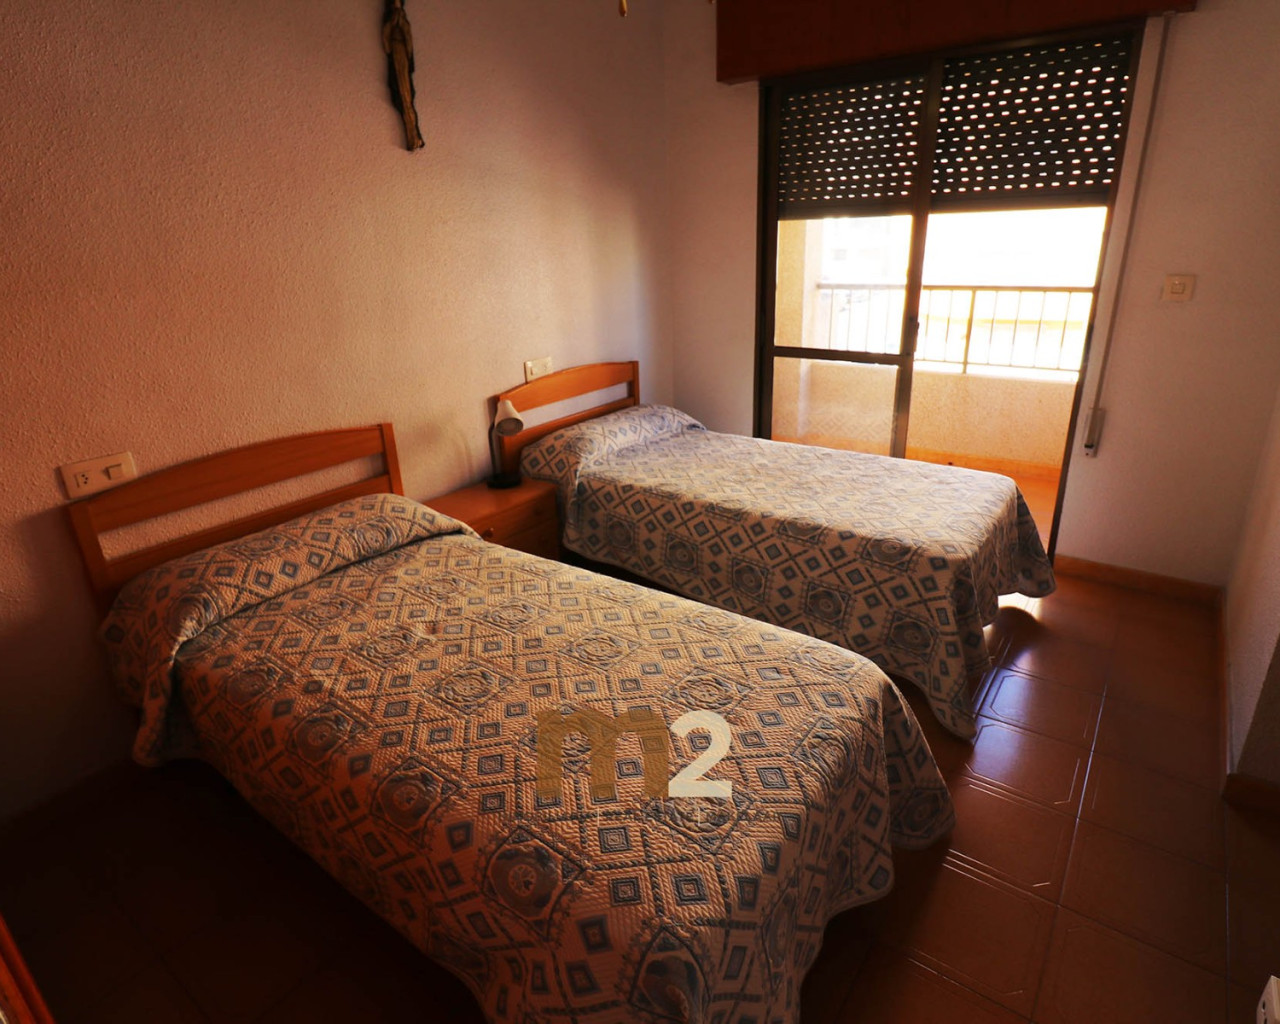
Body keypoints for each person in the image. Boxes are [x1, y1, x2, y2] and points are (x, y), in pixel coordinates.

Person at [382, 0, 424, 151]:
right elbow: (386, 36)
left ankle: (414, 136)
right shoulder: (391, 18)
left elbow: (407, 35)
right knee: (403, 95)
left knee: (406, 96)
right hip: (396, 52)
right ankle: (413, 136)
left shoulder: (402, 17)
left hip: (402, 53)